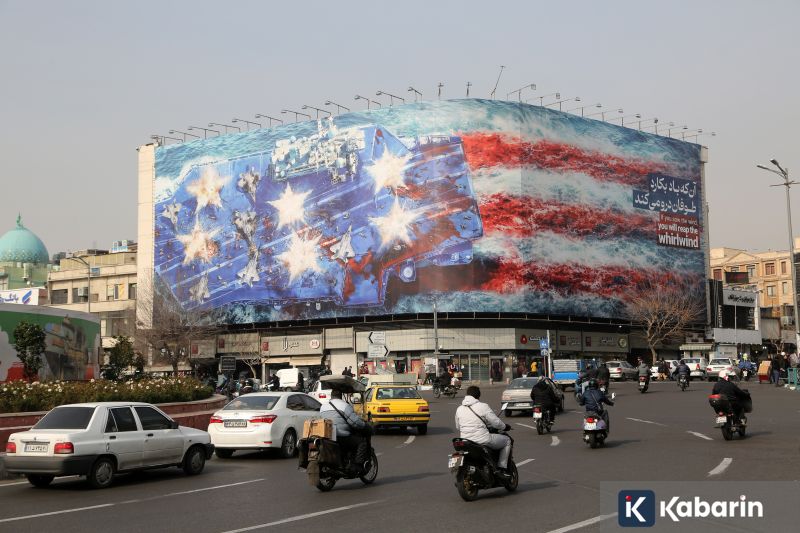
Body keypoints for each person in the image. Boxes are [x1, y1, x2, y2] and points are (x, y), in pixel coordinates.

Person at [455, 386, 513, 476]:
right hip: (482, 439)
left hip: (465, 441)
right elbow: (496, 423)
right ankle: (502, 468)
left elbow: (458, 426)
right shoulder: (483, 406)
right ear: (478, 396)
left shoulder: (459, 409)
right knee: (507, 440)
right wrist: (505, 427)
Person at [320, 389, 370, 467]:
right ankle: (357, 465)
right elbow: (354, 422)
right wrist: (364, 425)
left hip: (328, 436)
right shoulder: (344, 406)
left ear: (331, 396)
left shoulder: (323, 406)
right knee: (361, 442)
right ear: (340, 396)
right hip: (341, 435)